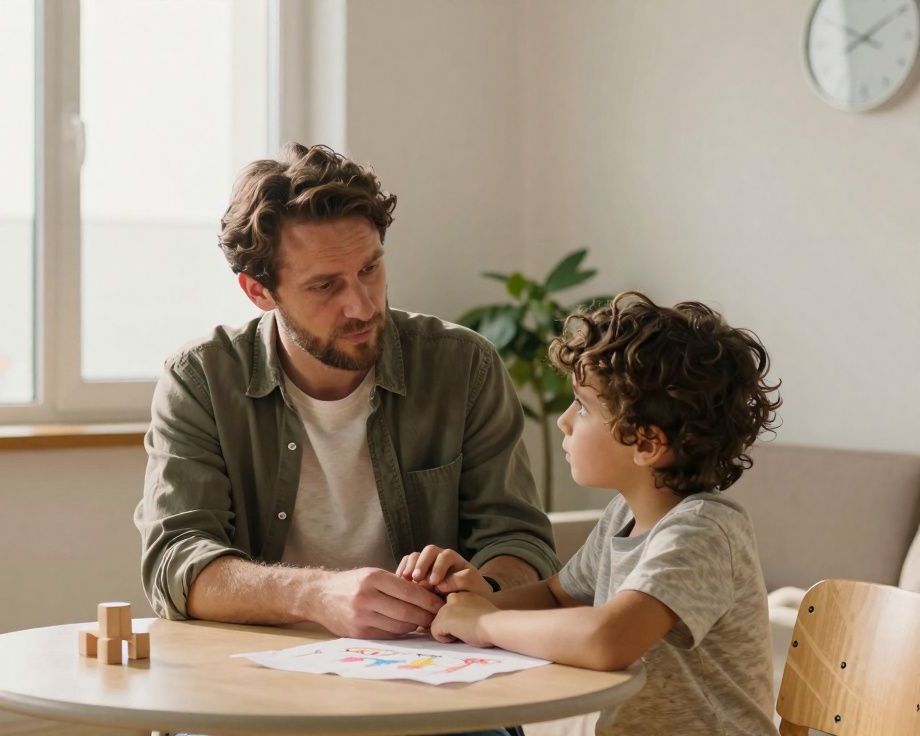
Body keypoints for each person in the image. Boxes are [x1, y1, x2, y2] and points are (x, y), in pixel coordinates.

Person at [134, 142, 558, 643]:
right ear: (259, 292)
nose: (361, 306)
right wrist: (315, 595)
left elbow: (520, 540)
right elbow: (176, 562)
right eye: (325, 287)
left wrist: (482, 586)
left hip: (430, 670)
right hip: (261, 674)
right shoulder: (202, 378)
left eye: (370, 269)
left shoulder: (463, 365)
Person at [406, 292, 781, 736]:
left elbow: (609, 640)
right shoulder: (623, 514)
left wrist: (484, 622)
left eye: (582, 407)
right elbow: (556, 595)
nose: (564, 421)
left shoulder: (702, 531)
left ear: (646, 443)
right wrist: (470, 598)